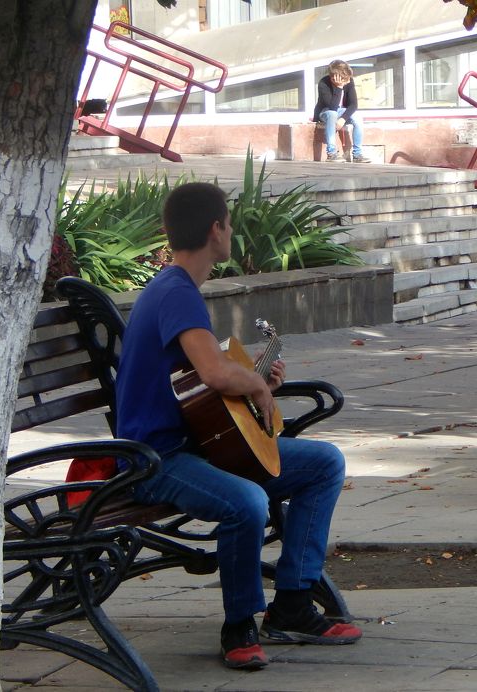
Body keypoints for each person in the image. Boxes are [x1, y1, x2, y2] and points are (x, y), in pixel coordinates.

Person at [115, 182, 362, 670]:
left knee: (324, 464)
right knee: (246, 501)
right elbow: (214, 373)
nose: (230, 231)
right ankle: (238, 624)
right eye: (228, 223)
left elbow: (198, 385)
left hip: (193, 447)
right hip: (156, 460)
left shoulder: (175, 288)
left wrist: (252, 377)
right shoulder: (176, 292)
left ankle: (292, 601)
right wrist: (256, 386)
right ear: (215, 229)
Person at [313, 59, 371, 163]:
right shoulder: (323, 83)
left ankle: (357, 154)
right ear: (335, 77)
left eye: (349, 79)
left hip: (340, 113)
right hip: (325, 111)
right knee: (332, 114)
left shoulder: (349, 81)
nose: (348, 81)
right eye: (345, 79)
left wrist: (343, 119)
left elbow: (354, 105)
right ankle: (331, 153)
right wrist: (339, 87)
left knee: (357, 116)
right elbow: (332, 107)